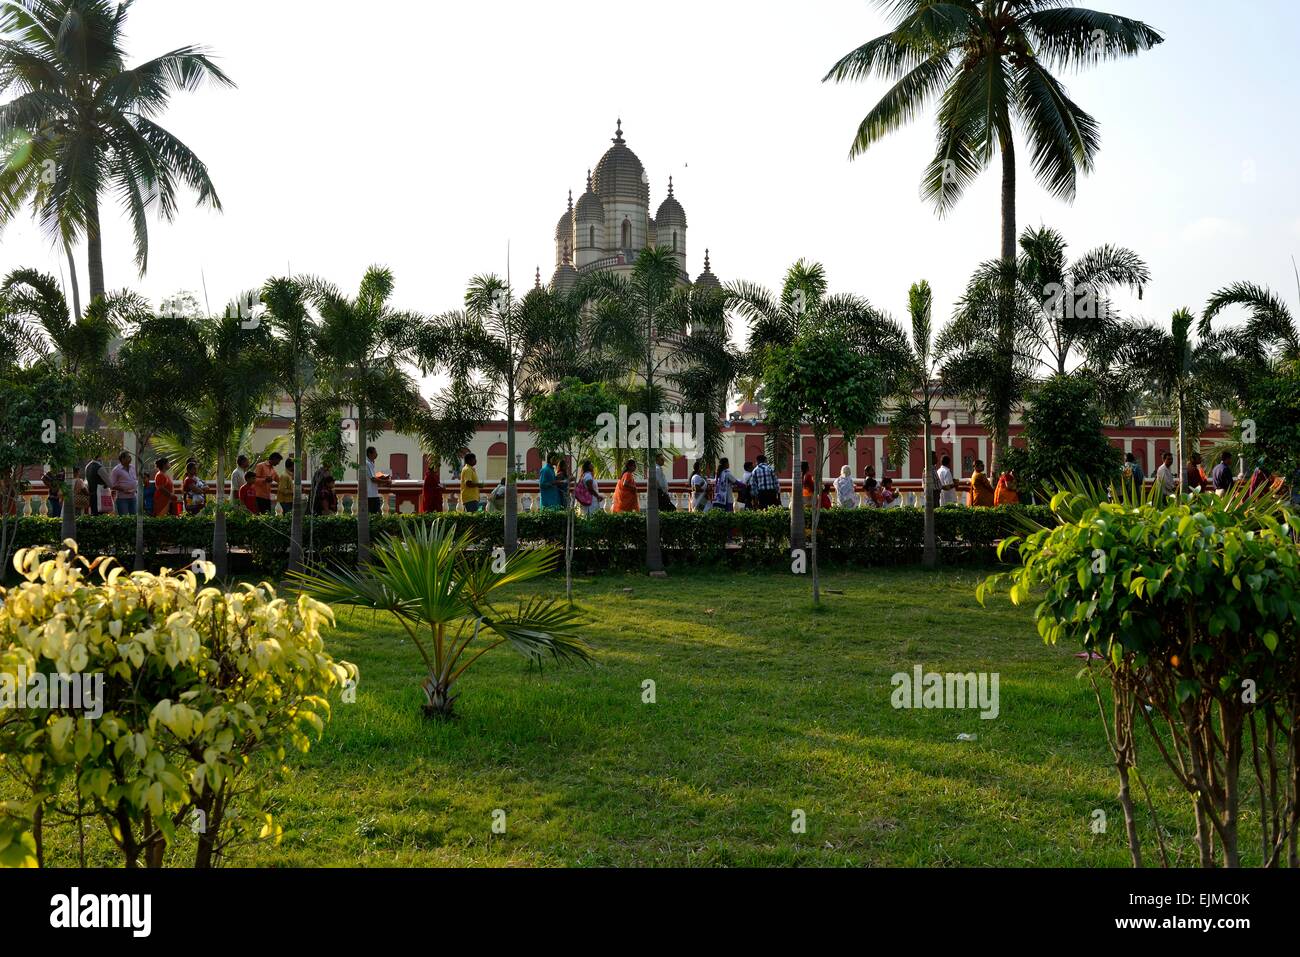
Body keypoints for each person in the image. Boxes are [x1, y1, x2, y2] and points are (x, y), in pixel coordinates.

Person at [110, 451, 137, 515]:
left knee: (133, 518)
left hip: (133, 497)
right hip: (122, 499)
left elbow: (134, 480)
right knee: (123, 518)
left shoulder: (132, 467)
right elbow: (112, 485)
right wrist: (123, 489)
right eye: (128, 457)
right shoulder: (116, 470)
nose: (130, 458)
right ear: (122, 459)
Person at [364, 446, 386, 514]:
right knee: (375, 514)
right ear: (370, 454)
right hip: (371, 495)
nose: (377, 454)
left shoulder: (370, 463)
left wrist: (381, 478)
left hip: (373, 493)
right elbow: (373, 479)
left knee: (375, 514)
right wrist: (385, 481)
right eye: (375, 452)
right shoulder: (367, 463)